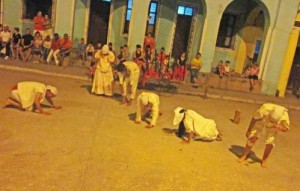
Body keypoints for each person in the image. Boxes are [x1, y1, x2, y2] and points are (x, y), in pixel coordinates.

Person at [238, 103, 290, 168]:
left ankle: (264, 159)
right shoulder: (264, 109)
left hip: (274, 127)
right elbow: (254, 118)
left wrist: (279, 127)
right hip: (262, 120)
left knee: (270, 142)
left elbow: (286, 128)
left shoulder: (284, 116)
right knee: (253, 136)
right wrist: (249, 129)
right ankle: (244, 155)